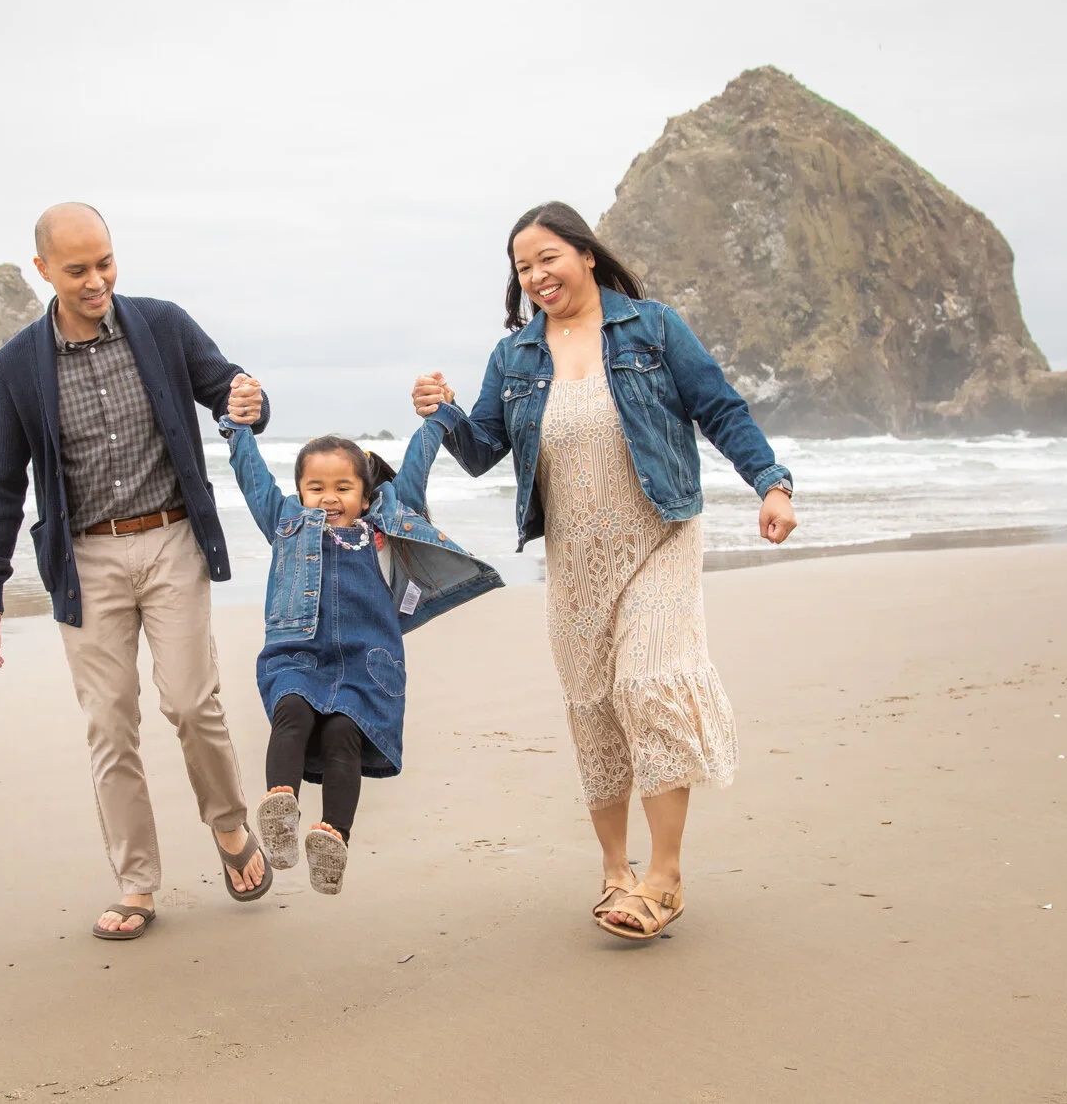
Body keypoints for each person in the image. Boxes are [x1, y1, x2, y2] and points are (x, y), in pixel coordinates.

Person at [412, 201, 797, 941]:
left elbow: (719, 408)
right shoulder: (515, 357)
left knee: (647, 682)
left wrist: (771, 484)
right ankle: (616, 871)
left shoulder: (652, 328)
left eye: (548, 256)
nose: (536, 275)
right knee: (594, 710)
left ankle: (665, 877)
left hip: (660, 535)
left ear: (586, 254)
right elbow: (483, 448)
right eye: (523, 267)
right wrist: (447, 411)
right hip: (574, 560)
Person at [0, 203, 273, 941]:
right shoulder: (16, 367)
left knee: (191, 703)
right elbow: (0, 484)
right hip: (86, 561)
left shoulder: (162, 324)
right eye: (78, 269)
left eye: (105, 262)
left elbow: (232, 394)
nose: (97, 279)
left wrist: (251, 403)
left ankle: (230, 828)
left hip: (171, 540)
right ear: (44, 269)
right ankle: (136, 882)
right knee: (110, 724)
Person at [219, 374, 502, 895]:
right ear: (300, 491)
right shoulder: (285, 520)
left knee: (344, 735)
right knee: (293, 714)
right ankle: (280, 805)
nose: (329, 498)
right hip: (297, 652)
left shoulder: (386, 522)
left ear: (366, 492)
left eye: (343, 488)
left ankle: (333, 835)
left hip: (367, 660)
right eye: (316, 488)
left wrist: (438, 418)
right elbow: (252, 476)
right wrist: (238, 431)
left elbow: (416, 464)